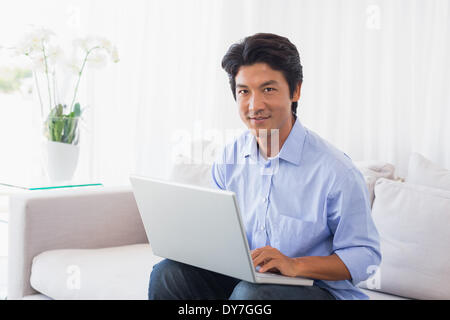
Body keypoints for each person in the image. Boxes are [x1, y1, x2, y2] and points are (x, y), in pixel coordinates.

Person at [148, 33, 381, 300]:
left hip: (318, 291)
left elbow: (366, 257)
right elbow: (219, 236)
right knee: (168, 274)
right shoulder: (229, 159)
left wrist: (295, 265)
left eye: (268, 89)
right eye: (244, 91)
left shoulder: (336, 171)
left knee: (252, 296)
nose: (254, 105)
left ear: (295, 91)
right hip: (249, 281)